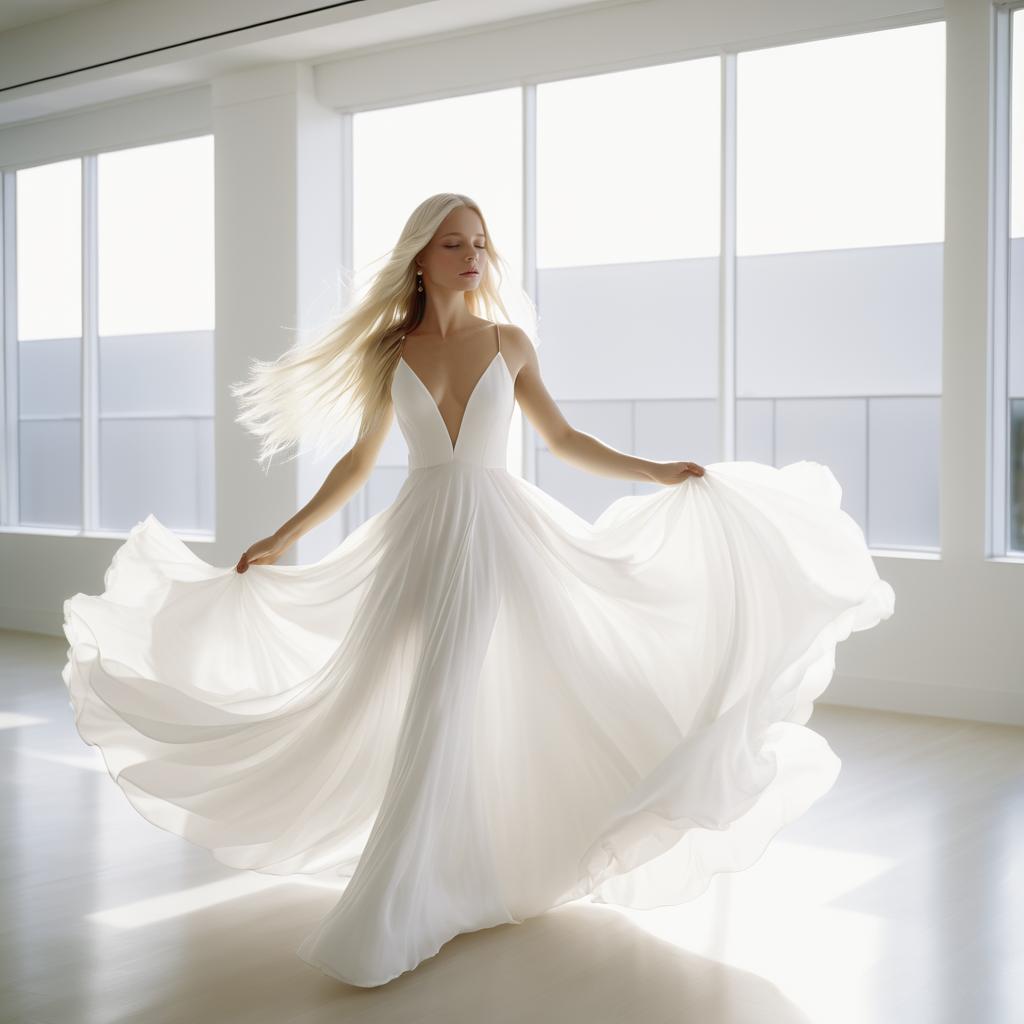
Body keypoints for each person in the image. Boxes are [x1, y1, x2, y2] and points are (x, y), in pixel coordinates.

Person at [62, 192, 895, 988]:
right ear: (420, 259)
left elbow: (560, 438)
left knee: (456, 696)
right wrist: (286, 535)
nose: (472, 255)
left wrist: (652, 470)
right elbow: (358, 462)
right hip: (416, 540)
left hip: (498, 537)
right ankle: (446, 877)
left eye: (479, 240)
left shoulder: (509, 342)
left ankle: (404, 901)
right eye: (453, 242)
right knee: (384, 697)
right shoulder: (388, 353)